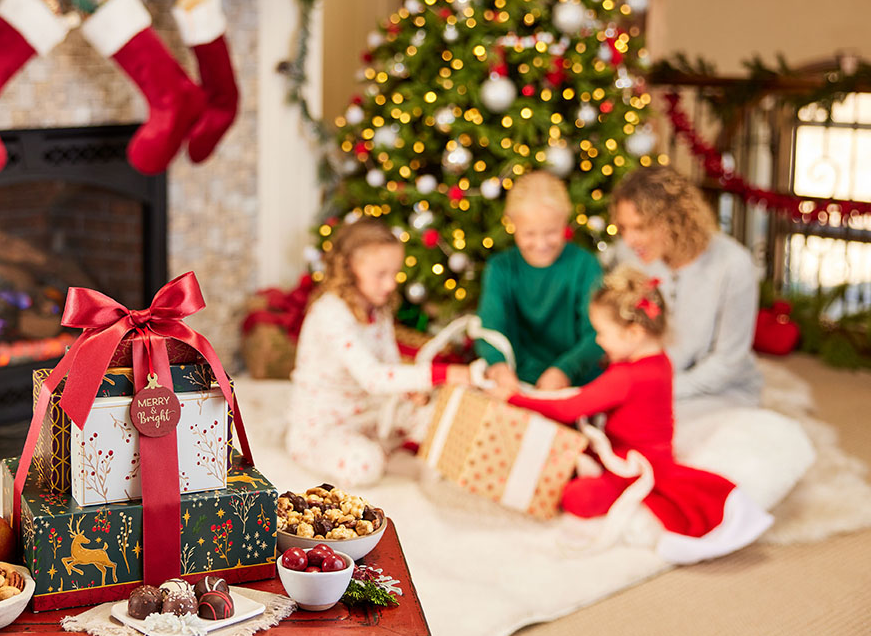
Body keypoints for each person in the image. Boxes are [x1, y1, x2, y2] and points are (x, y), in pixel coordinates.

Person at [487, 267, 771, 563]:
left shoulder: (629, 377)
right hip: (628, 451)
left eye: (602, 333)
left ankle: (637, 510)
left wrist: (514, 398)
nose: (598, 341)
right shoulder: (659, 361)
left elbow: (569, 408)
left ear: (634, 333)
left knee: (576, 498)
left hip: (635, 466)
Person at [285, 218, 472, 487]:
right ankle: (382, 454)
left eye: (394, 273)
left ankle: (392, 449)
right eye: (381, 274)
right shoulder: (331, 313)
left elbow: (390, 365)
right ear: (350, 268)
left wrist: (409, 392)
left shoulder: (378, 309)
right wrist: (443, 373)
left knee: (434, 417)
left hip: (369, 413)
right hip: (324, 426)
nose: (391, 284)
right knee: (364, 464)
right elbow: (373, 377)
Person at [609, 165, 761, 416]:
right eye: (623, 228)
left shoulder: (733, 265)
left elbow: (727, 362)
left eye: (640, 228)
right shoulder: (629, 257)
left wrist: (659, 389)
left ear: (673, 220)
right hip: (649, 383)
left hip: (717, 391)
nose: (629, 240)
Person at [476, 171, 604, 394]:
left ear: (565, 222)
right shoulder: (500, 268)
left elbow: (597, 333)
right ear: (512, 225)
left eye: (551, 232)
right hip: (517, 381)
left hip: (575, 384)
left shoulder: (585, 266)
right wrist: (498, 367)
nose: (541, 244)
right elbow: (489, 328)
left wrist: (565, 370)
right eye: (529, 234)